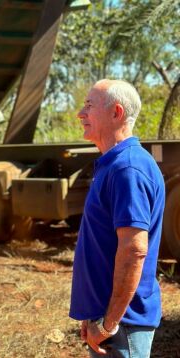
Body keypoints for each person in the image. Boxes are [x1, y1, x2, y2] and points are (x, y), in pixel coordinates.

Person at [69, 79, 165, 357]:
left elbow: (134, 250)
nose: (80, 114)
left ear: (116, 113)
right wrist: (93, 315)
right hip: (111, 321)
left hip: (122, 324)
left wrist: (109, 322)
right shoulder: (114, 164)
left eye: (89, 105)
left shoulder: (128, 168)